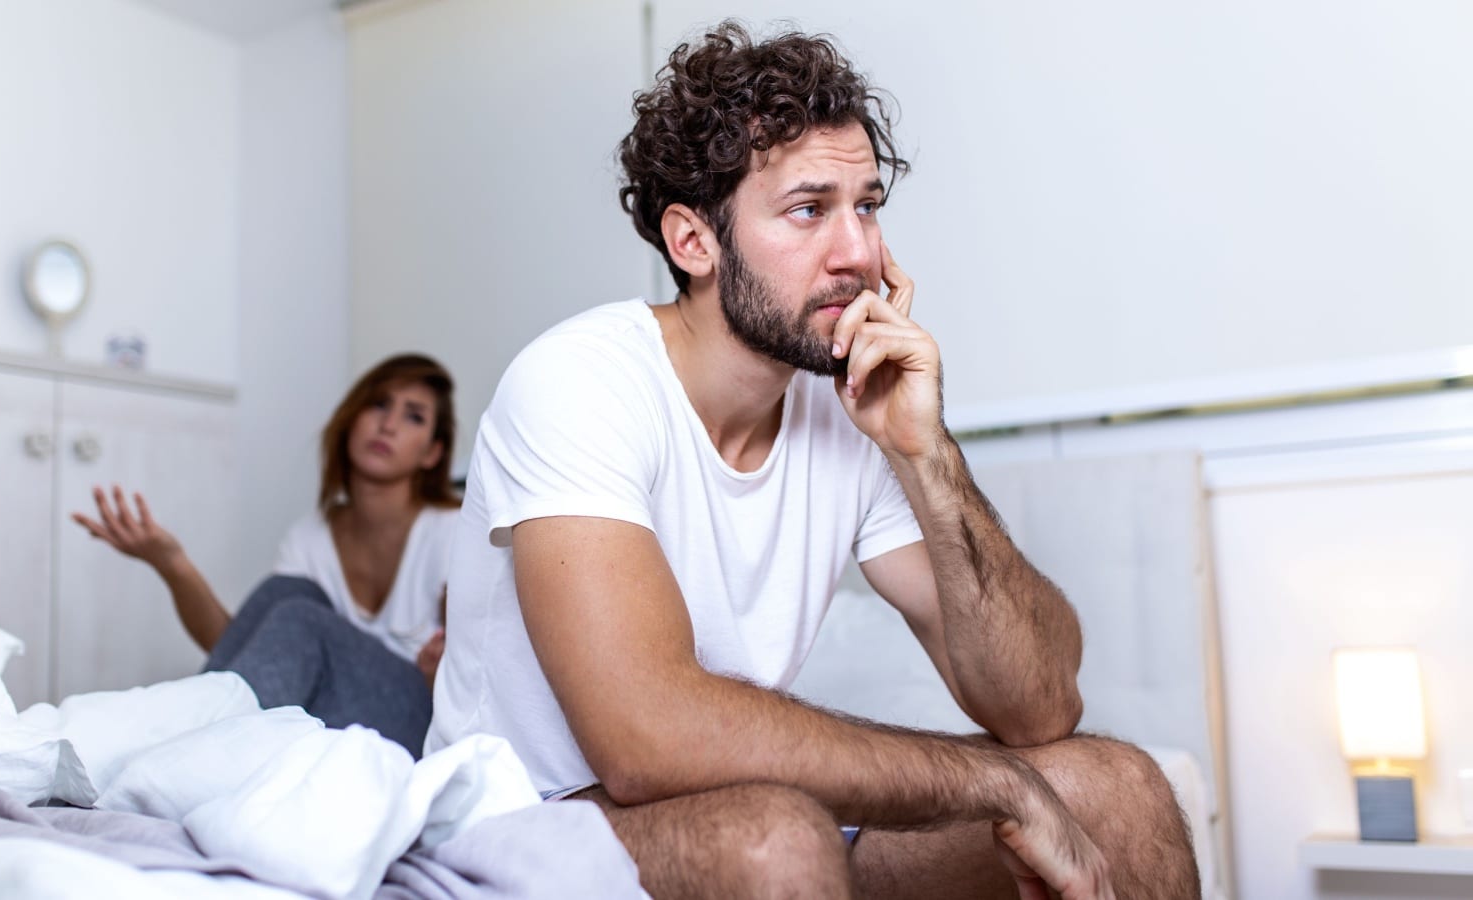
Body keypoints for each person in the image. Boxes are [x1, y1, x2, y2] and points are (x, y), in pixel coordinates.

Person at [427, 22, 1200, 900]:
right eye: (809, 210)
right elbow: (644, 737)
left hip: (744, 804)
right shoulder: (578, 382)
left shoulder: (850, 413)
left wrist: (924, 448)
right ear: (694, 242)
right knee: (778, 838)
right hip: (526, 822)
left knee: (1120, 788)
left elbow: (1040, 708)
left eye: (866, 206)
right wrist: (995, 781)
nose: (858, 254)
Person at [73, 353, 459, 757]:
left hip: (420, 722)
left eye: (413, 417)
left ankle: (179, 755)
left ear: (431, 453)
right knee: (285, 593)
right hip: (336, 714)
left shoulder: (454, 531)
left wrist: (440, 673)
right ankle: (178, 752)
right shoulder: (313, 534)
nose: (389, 424)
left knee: (300, 616)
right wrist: (172, 564)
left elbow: (477, 680)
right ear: (352, 417)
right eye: (379, 404)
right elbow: (243, 649)